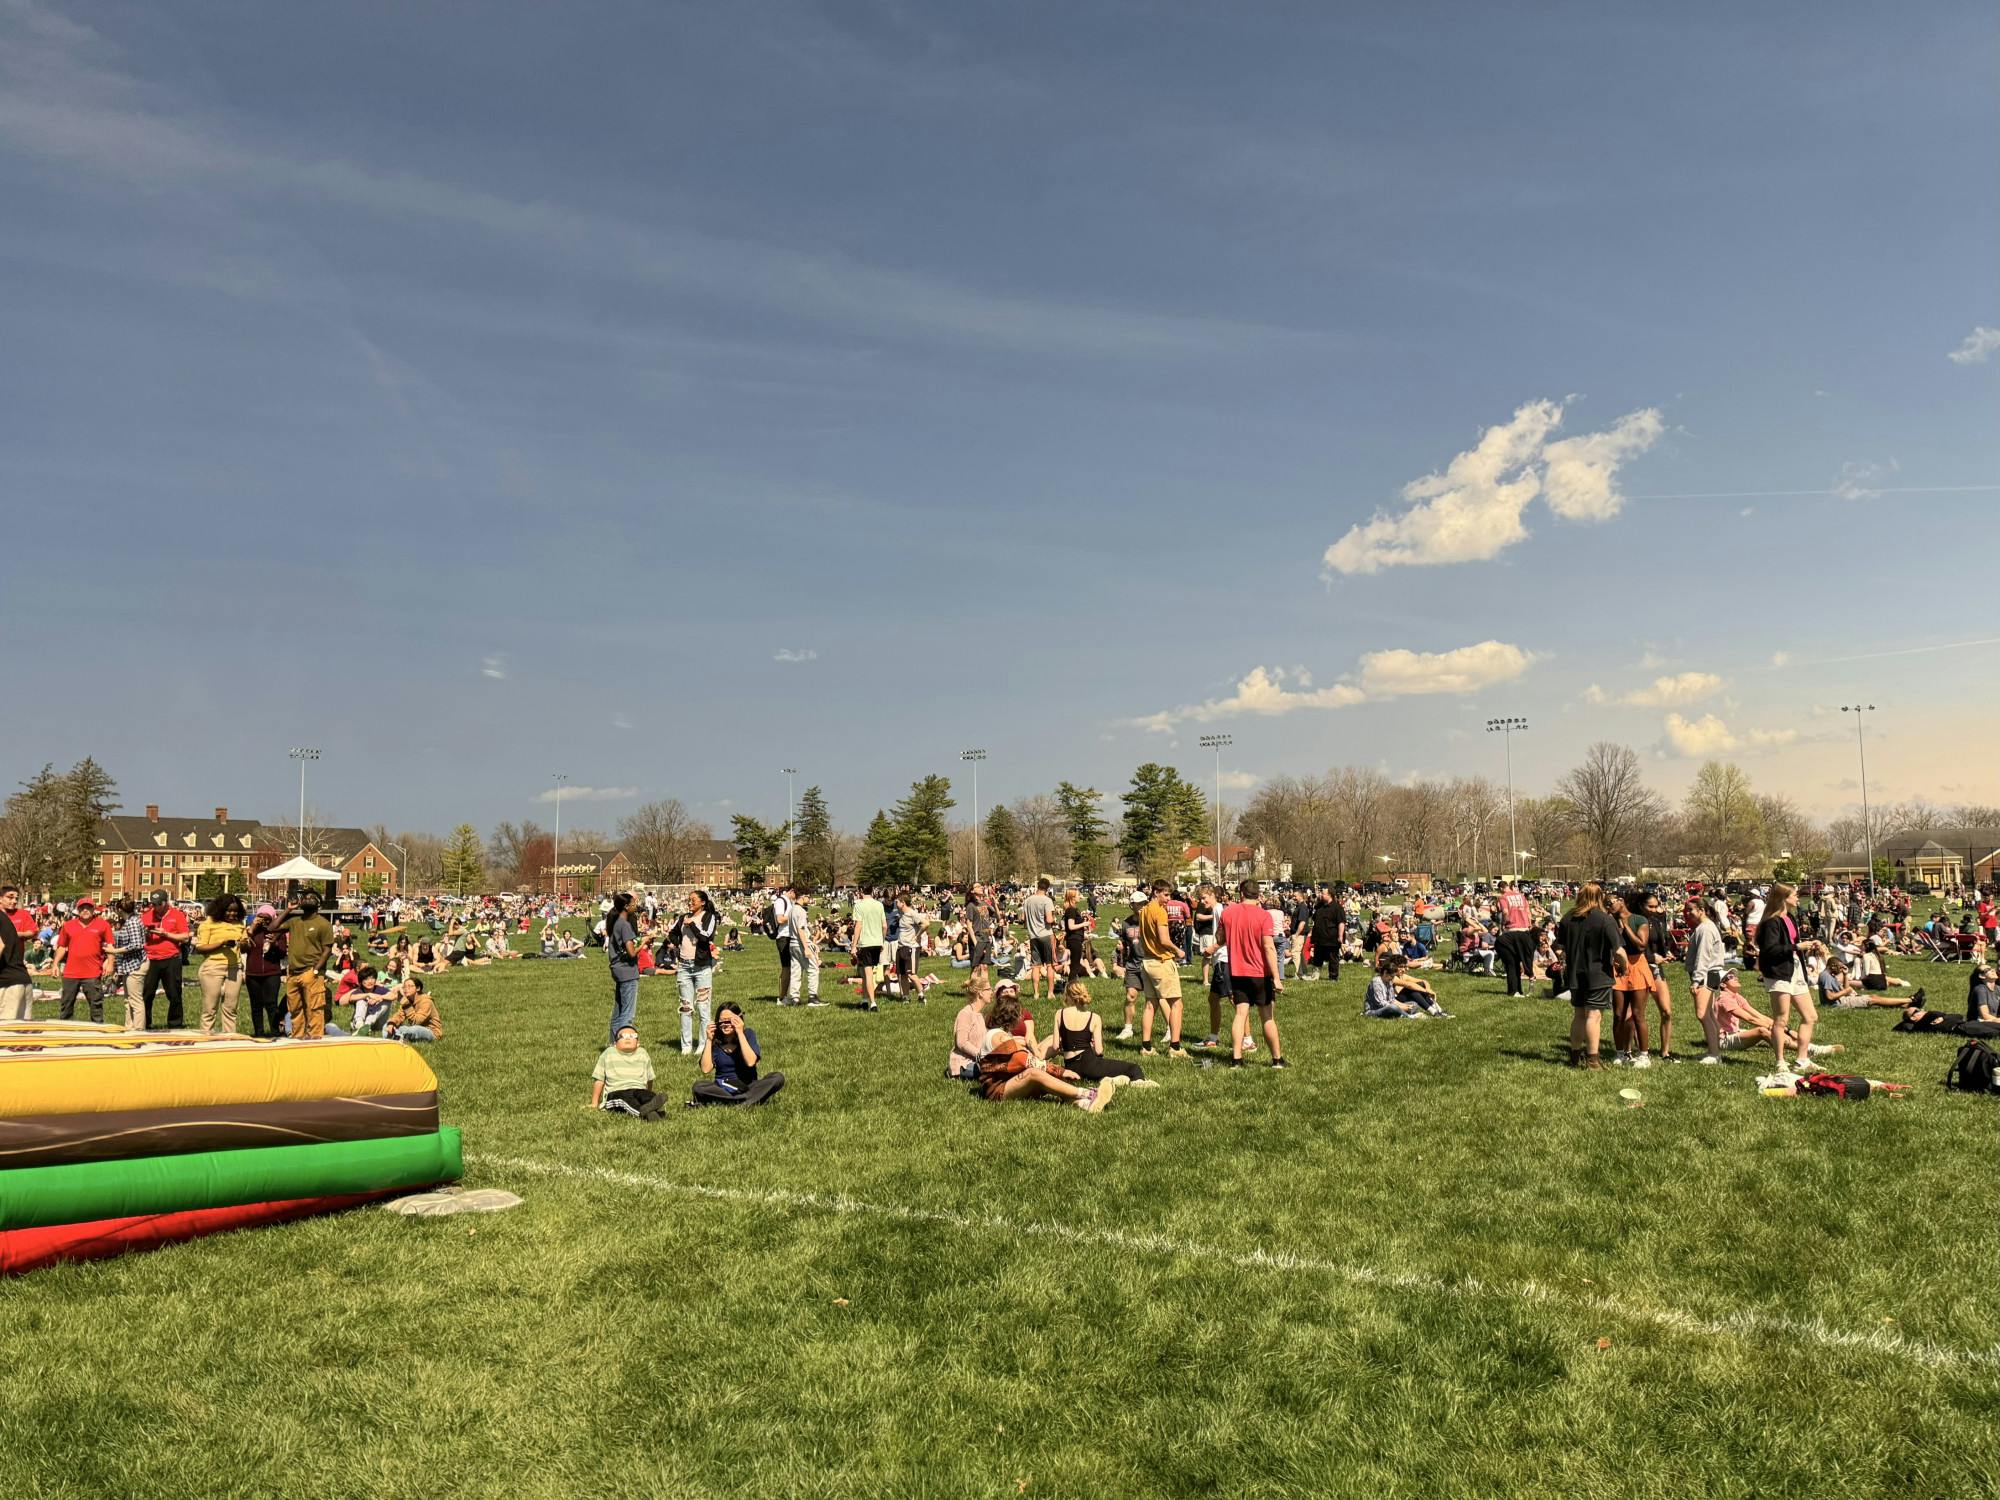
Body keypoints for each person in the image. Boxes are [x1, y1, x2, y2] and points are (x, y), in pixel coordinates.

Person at [975, 989, 1118, 1111]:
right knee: (1034, 1073)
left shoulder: (1001, 1035)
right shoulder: (998, 1037)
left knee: (1049, 1081)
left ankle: (1084, 1104)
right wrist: (1060, 1070)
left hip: (1009, 1083)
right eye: (1019, 1014)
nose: (1021, 1017)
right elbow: (1022, 1060)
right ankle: (1088, 1094)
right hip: (996, 1091)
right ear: (1011, 1016)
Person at [1557, 883, 1626, 1070]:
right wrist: (1624, 967)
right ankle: (1593, 1060)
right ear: (1600, 897)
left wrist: (1565, 960)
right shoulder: (1604, 919)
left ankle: (1574, 1056)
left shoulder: (1567, 918)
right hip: (1598, 973)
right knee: (1593, 1016)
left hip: (1574, 974)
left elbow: (1558, 945)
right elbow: (1618, 950)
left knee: (1579, 1014)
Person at [1220, 880, 1286, 1069]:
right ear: (1258, 895)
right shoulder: (1264, 916)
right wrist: (1276, 978)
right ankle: (1277, 1059)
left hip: (1237, 971)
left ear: (1241, 893)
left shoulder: (1228, 913)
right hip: (1259, 973)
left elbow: (1220, 938)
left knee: (1241, 1014)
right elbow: (1268, 947)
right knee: (1266, 1016)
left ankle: (1237, 1059)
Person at [1755, 882, 1816, 1077]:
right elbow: (1770, 950)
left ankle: (1802, 1059)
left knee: (1810, 1016)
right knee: (1781, 1019)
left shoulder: (1790, 918)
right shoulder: (1771, 923)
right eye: (1795, 895)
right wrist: (1798, 947)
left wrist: (1807, 946)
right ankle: (1780, 1061)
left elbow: (1793, 943)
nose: (1798, 898)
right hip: (1779, 972)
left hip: (1795, 969)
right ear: (1783, 898)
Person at [1043, 979, 1151, 1085]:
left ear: (1067, 995)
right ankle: (1139, 1083)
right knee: (1134, 1068)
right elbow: (1099, 1051)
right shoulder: (1094, 1017)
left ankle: (1109, 1079)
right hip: (1090, 1064)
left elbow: (1055, 1046)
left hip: (1070, 1066)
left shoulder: (1059, 1014)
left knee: (1099, 1074)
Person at [1136, 881, 1189, 1060]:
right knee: (1177, 1004)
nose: (1168, 899)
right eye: (1165, 895)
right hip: (1161, 961)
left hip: (1147, 961)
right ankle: (1175, 1047)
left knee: (1151, 1005)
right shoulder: (1159, 911)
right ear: (1156, 892)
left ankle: (1146, 1047)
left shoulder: (1143, 911)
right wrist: (1178, 950)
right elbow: (1164, 939)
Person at [694, 1002, 785, 1106]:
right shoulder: (716, 1041)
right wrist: (709, 1040)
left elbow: (751, 1062)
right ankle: (746, 1101)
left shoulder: (748, 1034)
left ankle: (732, 1101)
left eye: (730, 1021)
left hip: (748, 1086)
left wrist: (740, 1033)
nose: (725, 1025)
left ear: (739, 1019)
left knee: (777, 1077)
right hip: (723, 1088)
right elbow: (706, 1069)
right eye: (721, 1022)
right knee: (699, 1086)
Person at [274, 891, 336, 1039]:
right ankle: (297, 1037)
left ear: (318, 904)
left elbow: (327, 949)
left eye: (312, 897)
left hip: (311, 971)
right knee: (295, 1009)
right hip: (293, 973)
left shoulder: (323, 923)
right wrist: (288, 909)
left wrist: (315, 971)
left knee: (314, 1008)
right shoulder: (294, 921)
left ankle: (315, 1038)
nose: (308, 899)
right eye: (305, 897)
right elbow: (272, 927)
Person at [667, 890, 719, 1053]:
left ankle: (703, 1045)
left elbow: (707, 937)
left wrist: (693, 925)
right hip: (684, 967)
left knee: (704, 1007)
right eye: (689, 900)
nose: (690, 903)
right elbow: (672, 934)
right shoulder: (683, 918)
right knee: (685, 1007)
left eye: (693, 900)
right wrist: (679, 945)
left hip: (702, 967)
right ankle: (686, 1046)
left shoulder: (709, 917)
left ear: (703, 902)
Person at [192, 892, 249, 1036]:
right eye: (229, 910)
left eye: (235, 911)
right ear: (220, 909)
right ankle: (206, 1035)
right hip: (212, 967)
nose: (232, 914)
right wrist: (221, 943)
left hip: (234, 967)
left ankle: (230, 1036)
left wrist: (245, 943)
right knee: (210, 1007)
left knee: (231, 1006)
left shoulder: (239, 925)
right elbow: (200, 948)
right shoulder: (208, 924)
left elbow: (245, 948)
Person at [54, 896, 113, 1023]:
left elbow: (110, 946)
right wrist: (55, 964)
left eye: (88, 907)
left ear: (93, 909)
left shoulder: (103, 925)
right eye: (82, 908)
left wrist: (110, 963)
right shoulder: (68, 926)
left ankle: (98, 1033)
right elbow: (62, 946)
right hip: (71, 972)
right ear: (77, 910)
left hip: (92, 972)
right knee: (66, 1006)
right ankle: (64, 1032)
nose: (85, 910)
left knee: (96, 1006)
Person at [139, 888, 190, 1029]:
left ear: (165, 903)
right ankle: (145, 1023)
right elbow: (140, 936)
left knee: (174, 993)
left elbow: (185, 937)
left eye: (157, 904)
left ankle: (175, 1023)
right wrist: (147, 934)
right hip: (151, 958)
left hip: (171, 958)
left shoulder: (177, 915)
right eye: (152, 904)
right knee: (147, 993)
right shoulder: (146, 916)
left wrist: (166, 934)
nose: (154, 907)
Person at [590, 1024, 664, 1119]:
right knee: (625, 1100)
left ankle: (651, 1107)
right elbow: (599, 1080)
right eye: (622, 1036)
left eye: (632, 1036)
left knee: (647, 1095)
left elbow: (649, 1079)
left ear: (638, 1043)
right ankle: (644, 1112)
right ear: (615, 1043)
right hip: (616, 1092)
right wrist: (594, 1103)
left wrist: (648, 1092)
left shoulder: (642, 1053)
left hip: (638, 1089)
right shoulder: (608, 1053)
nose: (628, 1038)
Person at [1684, 903, 1728, 1063]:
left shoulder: (1706, 929)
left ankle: (1714, 1054)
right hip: (1710, 974)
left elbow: (1703, 956)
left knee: (1702, 1014)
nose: (1687, 913)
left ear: (1701, 910)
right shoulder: (1704, 927)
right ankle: (1713, 1050)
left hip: (1707, 974)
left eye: (1691, 910)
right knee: (1709, 1014)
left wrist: (1697, 980)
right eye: (1686, 910)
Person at [244, 904, 287, 1037]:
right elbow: (243, 948)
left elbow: (282, 953)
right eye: (261, 917)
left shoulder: (278, 932)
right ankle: (259, 1033)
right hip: (253, 973)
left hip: (272, 972)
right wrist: (252, 928)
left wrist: (274, 945)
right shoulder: (251, 931)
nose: (264, 921)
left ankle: (275, 1032)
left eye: (267, 918)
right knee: (256, 1005)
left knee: (271, 1004)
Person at [604, 891, 641, 1043]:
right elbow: (631, 952)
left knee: (618, 1012)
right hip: (628, 972)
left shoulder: (616, 922)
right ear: (626, 907)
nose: (635, 906)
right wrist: (644, 941)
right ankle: (623, 1045)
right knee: (627, 1014)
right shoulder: (624, 925)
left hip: (617, 969)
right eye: (633, 904)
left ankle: (613, 1044)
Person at [109, 897, 149, 1030]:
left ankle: (138, 1029)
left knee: (135, 1000)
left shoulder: (133, 922)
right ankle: (129, 1027)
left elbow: (137, 944)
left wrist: (115, 950)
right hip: (128, 965)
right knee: (128, 1000)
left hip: (136, 964)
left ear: (120, 910)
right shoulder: (128, 922)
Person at [782, 884, 823, 1007]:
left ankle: (794, 997)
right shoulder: (801, 911)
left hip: (792, 944)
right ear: (803, 896)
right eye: (808, 897)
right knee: (813, 969)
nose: (809, 900)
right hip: (801, 943)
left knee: (796, 970)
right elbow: (801, 930)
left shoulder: (791, 910)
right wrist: (807, 947)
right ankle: (812, 997)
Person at [0, 883, 34, 1023]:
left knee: (5, 1037)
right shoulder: (5, 919)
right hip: (23, 981)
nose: (14, 901)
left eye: (15, 898)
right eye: (10, 897)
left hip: (9, 985)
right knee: (22, 1038)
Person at [1020, 877, 1058, 1002]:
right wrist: (1054, 917)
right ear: (1047, 888)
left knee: (1035, 966)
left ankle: (1036, 993)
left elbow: (1022, 918)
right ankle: (1050, 993)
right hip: (1046, 934)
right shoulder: (1047, 900)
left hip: (1033, 936)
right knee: (1049, 965)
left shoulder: (1028, 900)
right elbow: (1049, 920)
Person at [1495, 879, 1534, 996]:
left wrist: (1502, 924)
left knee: (1511, 962)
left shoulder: (1503, 897)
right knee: (1520, 960)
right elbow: (1528, 912)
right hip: (1525, 931)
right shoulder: (1521, 896)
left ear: (1501, 888)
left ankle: (1513, 990)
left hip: (1512, 931)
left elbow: (1505, 912)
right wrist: (1529, 924)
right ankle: (1520, 989)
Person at [947, 979, 993, 1079]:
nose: (992, 992)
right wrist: (980, 1055)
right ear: (980, 993)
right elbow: (961, 1042)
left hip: (977, 1061)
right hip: (963, 1064)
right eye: (989, 989)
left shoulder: (979, 1015)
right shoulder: (965, 1014)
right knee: (995, 1071)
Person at [383, 975, 443, 1042]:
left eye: (409, 986)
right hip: (414, 1029)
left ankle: (396, 1037)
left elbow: (416, 1022)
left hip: (431, 1032)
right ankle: (397, 1038)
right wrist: (392, 1023)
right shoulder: (408, 1001)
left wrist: (407, 1005)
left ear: (418, 988)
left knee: (414, 1029)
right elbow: (399, 1016)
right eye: (404, 987)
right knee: (386, 1026)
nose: (406, 989)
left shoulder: (426, 1001)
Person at [1310, 885, 1345, 982]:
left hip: (1331, 938)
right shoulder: (1320, 907)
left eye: (1323, 893)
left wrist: (1340, 936)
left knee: (1333, 958)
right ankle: (1315, 975)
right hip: (1319, 938)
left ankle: (1333, 977)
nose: (1320, 895)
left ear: (1330, 895)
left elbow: (1341, 922)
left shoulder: (1337, 908)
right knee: (1317, 957)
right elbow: (1314, 920)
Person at [347, 965, 395, 1035]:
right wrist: (368, 995)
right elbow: (351, 998)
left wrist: (379, 997)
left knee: (386, 1002)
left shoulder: (379, 989)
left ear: (375, 980)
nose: (370, 981)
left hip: (377, 1023)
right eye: (366, 979)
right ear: (361, 981)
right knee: (361, 1000)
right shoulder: (360, 990)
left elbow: (393, 996)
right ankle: (360, 1025)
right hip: (360, 1021)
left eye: (372, 978)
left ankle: (366, 1025)